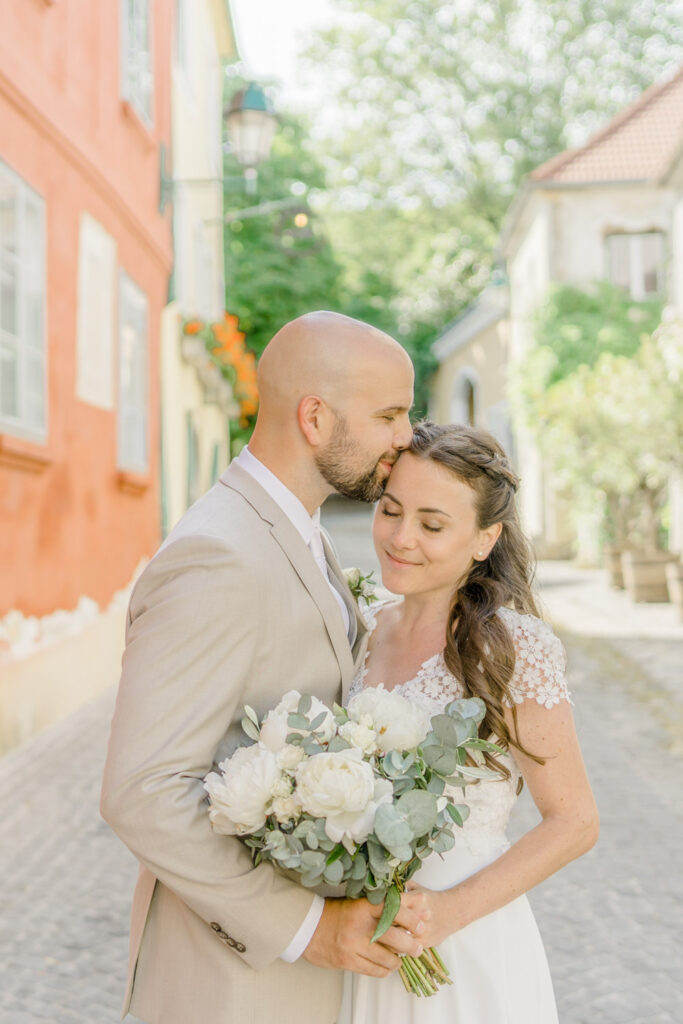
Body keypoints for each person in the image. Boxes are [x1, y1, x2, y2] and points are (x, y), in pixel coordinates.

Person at [100, 311, 428, 1024]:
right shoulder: (219, 555)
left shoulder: (291, 528)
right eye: (389, 414)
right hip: (229, 990)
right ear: (314, 418)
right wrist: (307, 928)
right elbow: (143, 791)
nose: (406, 436)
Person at [338, 421, 599, 1024]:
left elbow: (576, 821)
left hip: (466, 942)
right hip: (365, 943)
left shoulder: (511, 648)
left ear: (485, 539)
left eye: (432, 525)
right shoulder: (360, 627)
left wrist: (447, 912)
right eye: (390, 510)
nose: (401, 538)